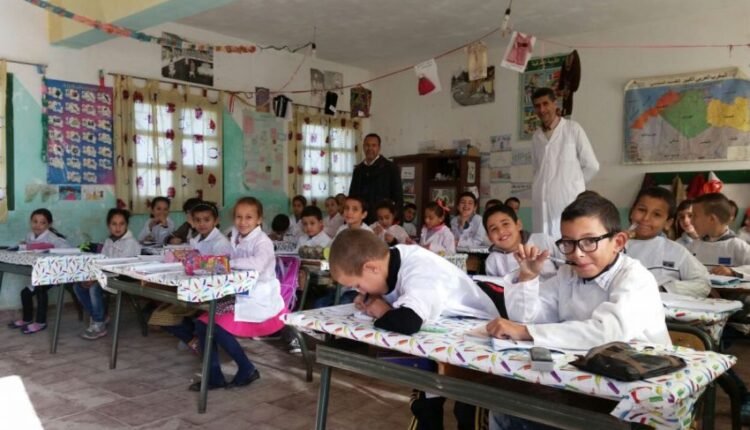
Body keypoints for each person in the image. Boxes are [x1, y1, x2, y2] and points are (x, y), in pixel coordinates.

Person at [485, 194, 670, 429]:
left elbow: (606, 333)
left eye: (589, 241)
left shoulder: (635, 278)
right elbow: (529, 318)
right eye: (568, 243)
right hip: (581, 380)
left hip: (633, 392)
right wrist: (528, 278)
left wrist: (525, 331)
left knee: (529, 411)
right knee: (505, 401)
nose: (577, 253)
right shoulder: (567, 274)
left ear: (618, 242)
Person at [330, 229, 500, 430]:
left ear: (371, 267)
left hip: (480, 334)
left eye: (358, 285)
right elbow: (394, 292)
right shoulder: (390, 260)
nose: (359, 291)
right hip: (440, 335)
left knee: (468, 409)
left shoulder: (419, 269)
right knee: (424, 403)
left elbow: (408, 322)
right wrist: (371, 296)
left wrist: (383, 311)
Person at [530, 87, 599, 239]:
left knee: (567, 240)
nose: (542, 110)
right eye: (537, 106)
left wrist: (572, 185)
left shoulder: (572, 129)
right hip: (541, 202)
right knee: (543, 244)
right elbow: (537, 170)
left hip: (567, 200)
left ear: (555, 104)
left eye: (545, 104)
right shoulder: (536, 137)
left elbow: (592, 165)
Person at [625, 187, 710, 298]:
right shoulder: (613, 246)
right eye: (641, 210)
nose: (646, 218)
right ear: (632, 212)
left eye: (657, 214)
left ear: (668, 223)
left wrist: (664, 289)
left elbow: (703, 284)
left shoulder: (676, 251)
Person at [76, 208, 140, 340]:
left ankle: (99, 324)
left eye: (121, 224)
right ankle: (101, 316)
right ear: (108, 225)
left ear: (127, 225)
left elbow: (121, 268)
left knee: (94, 287)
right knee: (79, 286)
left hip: (124, 278)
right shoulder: (108, 241)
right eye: (114, 224)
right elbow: (102, 261)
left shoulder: (131, 243)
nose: (118, 227)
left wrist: (97, 279)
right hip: (108, 275)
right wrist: (93, 276)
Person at [8, 209, 69, 334]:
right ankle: (27, 319)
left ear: (49, 224)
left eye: (42, 223)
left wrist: (49, 248)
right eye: (35, 221)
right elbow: (29, 248)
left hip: (54, 272)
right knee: (25, 293)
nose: (38, 225)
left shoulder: (52, 237)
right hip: (40, 273)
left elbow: (66, 248)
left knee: (41, 289)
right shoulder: (29, 235)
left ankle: (41, 322)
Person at [483, 204, 559, 281]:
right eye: (494, 229)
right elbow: (495, 287)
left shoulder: (542, 240)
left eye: (505, 224)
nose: (501, 231)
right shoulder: (492, 261)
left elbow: (565, 267)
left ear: (518, 225)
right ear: (489, 237)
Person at [688, 193, 750, 277]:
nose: (691, 221)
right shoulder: (693, 246)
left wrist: (732, 271)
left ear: (712, 219)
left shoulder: (737, 245)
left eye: (694, 216)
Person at [348, 133, 403, 225]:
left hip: (383, 220)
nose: (370, 148)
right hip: (361, 219)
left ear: (379, 148)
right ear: (363, 147)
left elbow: (398, 197)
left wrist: (396, 222)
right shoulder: (358, 170)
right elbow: (353, 196)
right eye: (367, 145)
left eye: (373, 145)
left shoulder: (390, 168)